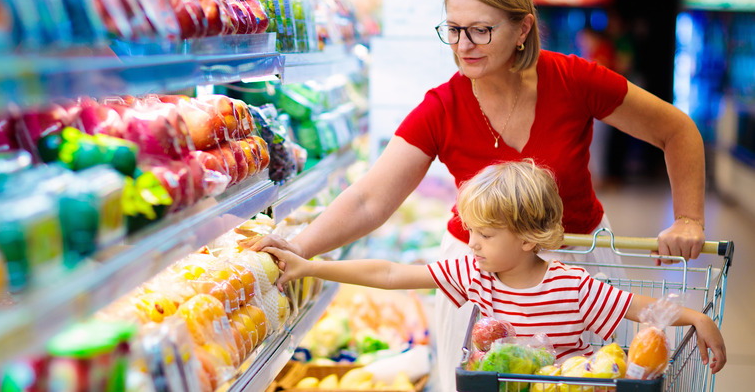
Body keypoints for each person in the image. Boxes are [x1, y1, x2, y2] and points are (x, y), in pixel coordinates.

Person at [250, 0, 707, 389]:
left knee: (587, 384)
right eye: (452, 30)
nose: (463, 45)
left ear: (522, 28)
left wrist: (688, 218)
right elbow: (371, 199)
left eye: (480, 30)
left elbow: (677, 131)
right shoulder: (442, 108)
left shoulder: (574, 81)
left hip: (578, 269)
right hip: (481, 276)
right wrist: (297, 247)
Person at [260, 161, 726, 377]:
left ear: (527, 239)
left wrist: (698, 317)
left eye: (485, 235)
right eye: (472, 232)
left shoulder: (572, 286)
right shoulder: (474, 273)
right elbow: (390, 274)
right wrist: (312, 266)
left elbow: (641, 308)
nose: (472, 243)